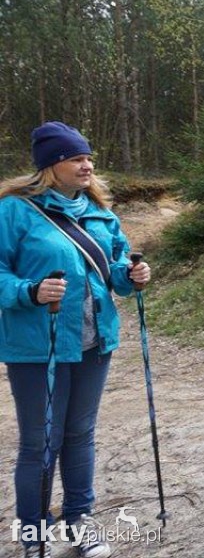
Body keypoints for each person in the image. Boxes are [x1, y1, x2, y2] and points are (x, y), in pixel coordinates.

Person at [0, 121, 152, 558]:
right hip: (37, 345)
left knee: (80, 434)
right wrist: (28, 291)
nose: (87, 165)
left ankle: (79, 521)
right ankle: (33, 532)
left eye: (88, 158)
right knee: (39, 440)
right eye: (76, 158)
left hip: (93, 342)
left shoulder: (100, 213)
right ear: (51, 165)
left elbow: (117, 274)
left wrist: (133, 276)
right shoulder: (15, 211)